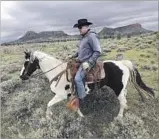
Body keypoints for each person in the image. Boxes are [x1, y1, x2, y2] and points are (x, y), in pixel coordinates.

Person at [67, 18, 102, 111]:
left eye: (80, 27)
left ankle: (83, 100)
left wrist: (89, 62)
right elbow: (80, 51)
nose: (79, 29)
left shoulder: (91, 36)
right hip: (81, 61)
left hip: (88, 63)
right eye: (78, 28)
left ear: (86, 27)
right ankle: (78, 92)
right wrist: (73, 55)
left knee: (77, 79)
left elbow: (98, 51)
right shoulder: (84, 38)